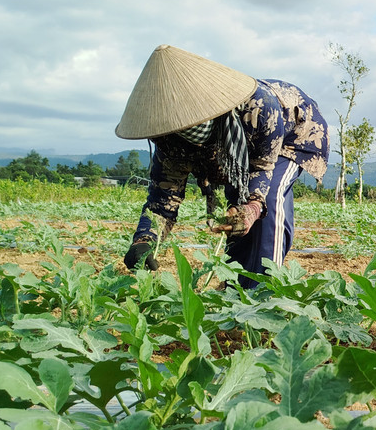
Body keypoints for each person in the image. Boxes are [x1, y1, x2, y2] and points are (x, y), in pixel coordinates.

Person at [115, 44, 329, 287]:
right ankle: (236, 287)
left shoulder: (259, 107)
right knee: (234, 219)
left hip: (291, 134)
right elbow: (162, 199)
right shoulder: (171, 140)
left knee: (267, 202)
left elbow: (261, 168)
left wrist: (252, 207)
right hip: (231, 149)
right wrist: (145, 239)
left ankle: (262, 291)